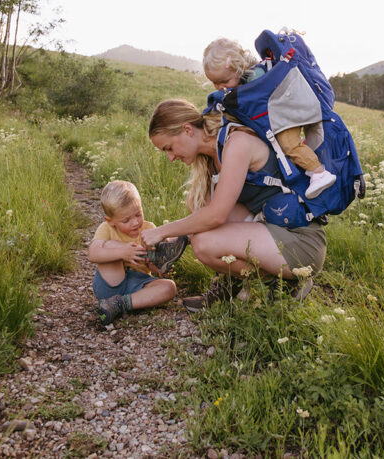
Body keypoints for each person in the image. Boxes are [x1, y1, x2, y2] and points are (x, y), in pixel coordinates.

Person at [142, 98, 325, 311]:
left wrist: (162, 232)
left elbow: (217, 216)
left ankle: (284, 282)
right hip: (271, 228)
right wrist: (176, 239)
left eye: (169, 148)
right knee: (198, 203)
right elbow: (207, 215)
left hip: (300, 242)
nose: (171, 157)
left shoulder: (236, 143)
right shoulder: (212, 155)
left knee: (204, 243)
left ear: (187, 129)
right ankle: (233, 283)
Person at [202, 37, 336, 199]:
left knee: (289, 145)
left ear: (238, 68)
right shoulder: (242, 81)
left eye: (224, 81)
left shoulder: (256, 77)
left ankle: (319, 173)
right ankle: (306, 164)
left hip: (287, 112)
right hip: (280, 115)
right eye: (214, 83)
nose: (219, 87)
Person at [88, 180, 181, 324]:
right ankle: (117, 302)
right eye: (126, 220)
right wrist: (123, 252)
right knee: (111, 245)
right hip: (112, 283)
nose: (135, 223)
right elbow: (93, 254)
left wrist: (157, 266)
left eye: (138, 214)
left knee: (169, 287)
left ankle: (120, 304)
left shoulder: (149, 229)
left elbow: (152, 269)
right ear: (110, 220)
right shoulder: (106, 228)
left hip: (139, 284)